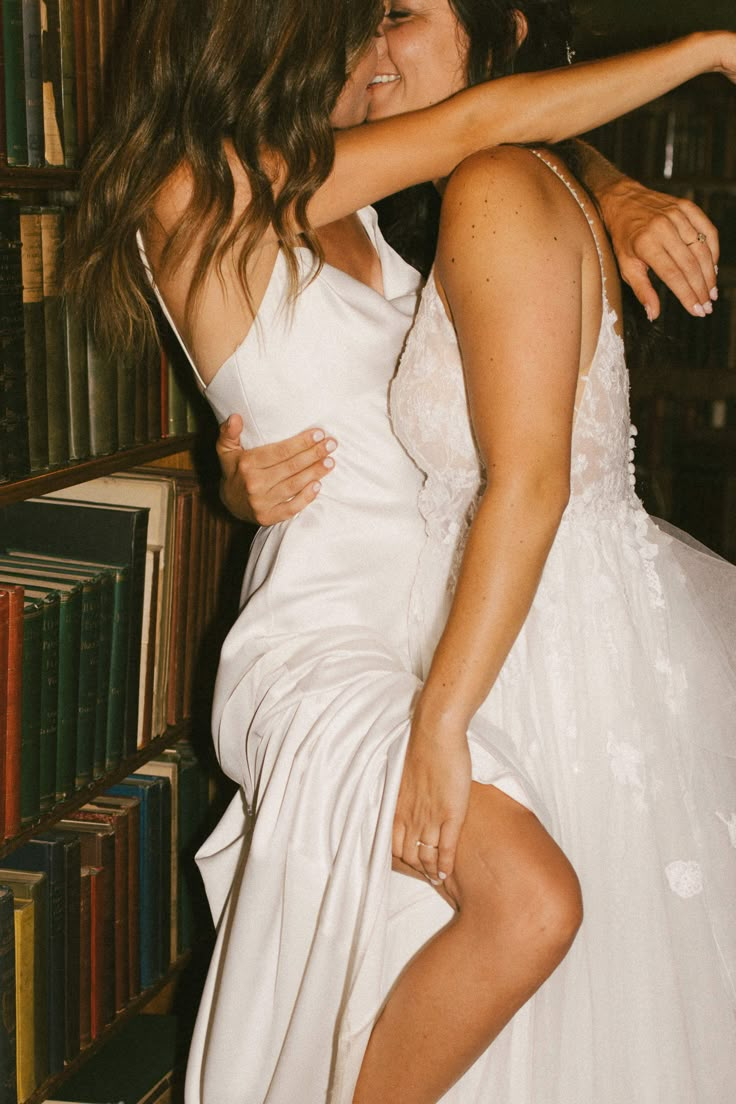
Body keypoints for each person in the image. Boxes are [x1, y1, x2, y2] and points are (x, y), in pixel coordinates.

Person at [65, 1, 736, 1099]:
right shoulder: (194, 194)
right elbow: (482, 120)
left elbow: (497, 144)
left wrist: (605, 190)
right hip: (327, 646)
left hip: (430, 628)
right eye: (361, 30)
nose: (379, 56)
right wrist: (707, 50)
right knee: (530, 902)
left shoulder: (368, 211)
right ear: (278, 42)